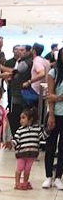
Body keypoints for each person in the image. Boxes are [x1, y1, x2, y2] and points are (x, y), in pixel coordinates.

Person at [44, 46, 63, 190]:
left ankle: (58, 177)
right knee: (50, 146)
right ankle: (48, 176)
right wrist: (51, 115)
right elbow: (49, 96)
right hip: (55, 114)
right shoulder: (53, 72)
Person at [13, 107, 45, 190]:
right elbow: (16, 140)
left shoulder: (37, 129)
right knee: (20, 168)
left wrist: (48, 131)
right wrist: (11, 144)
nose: (21, 120)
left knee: (27, 169)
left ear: (30, 119)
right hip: (21, 154)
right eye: (20, 118)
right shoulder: (20, 130)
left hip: (32, 154)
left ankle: (25, 182)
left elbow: (42, 137)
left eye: (23, 118)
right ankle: (17, 183)